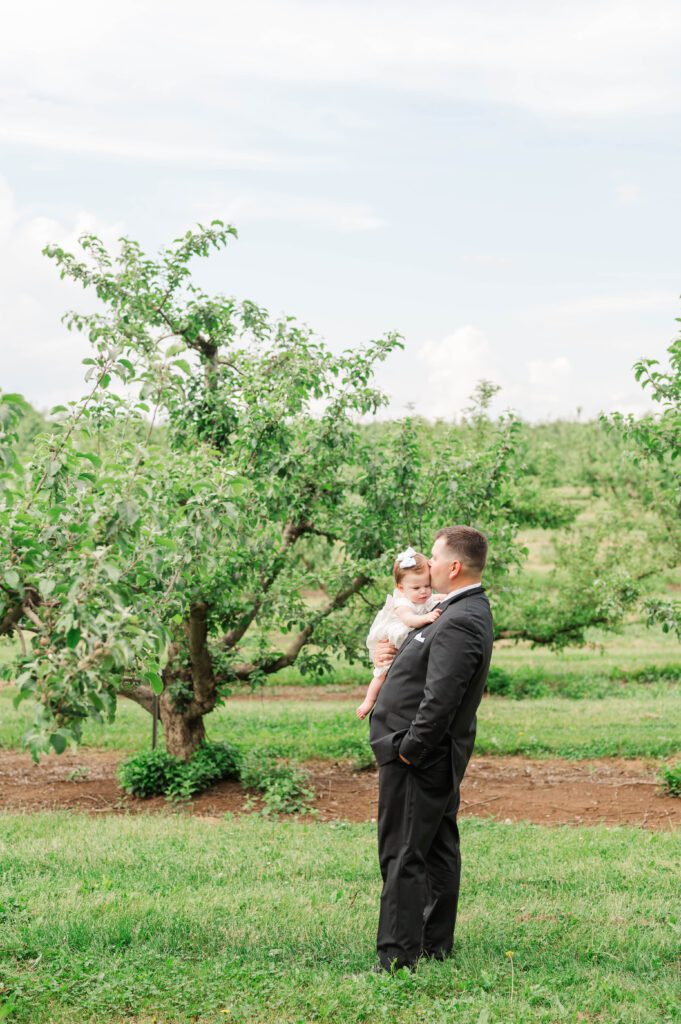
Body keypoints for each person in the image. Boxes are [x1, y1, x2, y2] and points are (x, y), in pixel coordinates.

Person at [368, 525, 494, 972]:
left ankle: (397, 959)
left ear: (454, 566)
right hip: (429, 756)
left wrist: (408, 749)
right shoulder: (454, 610)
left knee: (402, 853)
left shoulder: (461, 619)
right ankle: (433, 944)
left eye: (435, 559)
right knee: (436, 846)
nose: (428, 565)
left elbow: (441, 699)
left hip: (420, 758)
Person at [356, 547, 442, 720]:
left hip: (407, 644)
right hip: (395, 635)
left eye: (427, 585)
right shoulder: (401, 602)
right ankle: (368, 701)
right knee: (381, 672)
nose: (424, 591)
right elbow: (410, 620)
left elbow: (438, 598)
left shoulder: (424, 597)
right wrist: (426, 617)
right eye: (416, 587)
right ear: (400, 587)